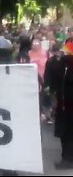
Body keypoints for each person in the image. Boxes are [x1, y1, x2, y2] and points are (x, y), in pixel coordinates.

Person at [51, 38, 73, 169]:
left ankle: (68, 159)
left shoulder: (63, 66)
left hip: (66, 105)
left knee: (67, 133)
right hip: (64, 104)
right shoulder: (62, 65)